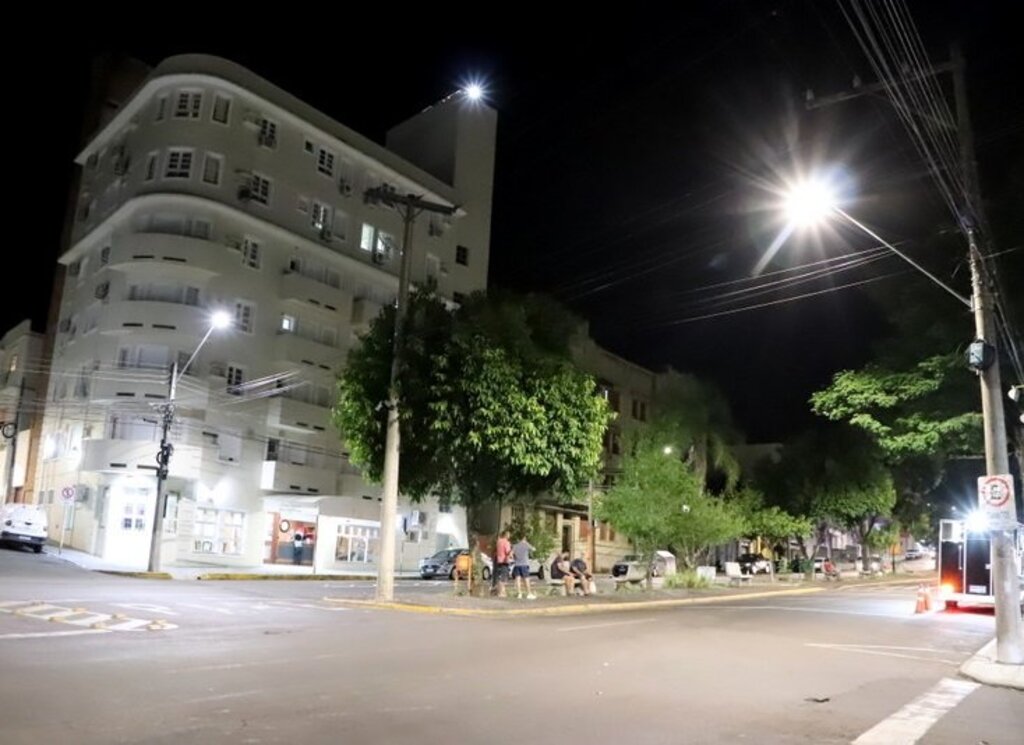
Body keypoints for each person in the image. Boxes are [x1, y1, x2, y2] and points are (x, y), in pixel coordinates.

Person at [511, 535, 536, 600]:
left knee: (518, 579)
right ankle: (529, 593)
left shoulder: (515, 546)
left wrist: (515, 558)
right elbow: (533, 549)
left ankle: (519, 593)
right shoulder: (526, 544)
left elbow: (510, 554)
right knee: (526, 579)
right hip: (524, 564)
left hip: (517, 564)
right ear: (524, 538)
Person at [495, 530, 512, 598]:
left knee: (500, 577)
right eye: (508, 535)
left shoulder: (498, 541)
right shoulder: (506, 542)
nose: (509, 536)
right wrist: (511, 553)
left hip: (499, 560)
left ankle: (502, 592)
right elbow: (507, 552)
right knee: (503, 578)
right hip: (505, 561)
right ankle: (501, 593)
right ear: (506, 535)